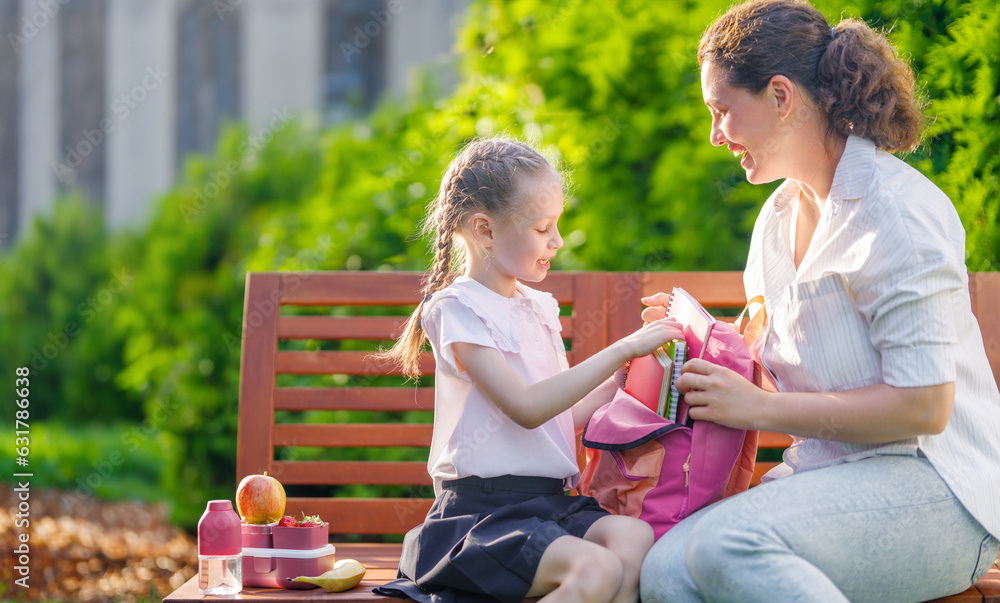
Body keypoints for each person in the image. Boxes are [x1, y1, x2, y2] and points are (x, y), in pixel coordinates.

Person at [639, 1, 1000, 601]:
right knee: (664, 571)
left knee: (726, 545)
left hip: (941, 491)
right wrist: (695, 345)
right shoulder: (776, 218)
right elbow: (771, 357)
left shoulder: (899, 215)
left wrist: (756, 409)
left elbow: (924, 407)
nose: (714, 135)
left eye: (722, 111)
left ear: (780, 96)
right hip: (828, 481)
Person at [373, 137, 682, 603]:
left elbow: (557, 421)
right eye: (543, 228)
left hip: (552, 505)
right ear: (486, 231)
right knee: (595, 567)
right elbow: (526, 408)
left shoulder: (538, 307)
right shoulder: (457, 310)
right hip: (483, 515)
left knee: (634, 542)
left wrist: (626, 378)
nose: (557, 241)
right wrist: (622, 348)